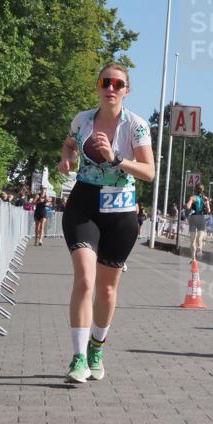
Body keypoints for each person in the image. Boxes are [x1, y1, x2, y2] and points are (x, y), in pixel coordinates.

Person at [57, 63, 154, 384]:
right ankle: (79, 357)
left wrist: (115, 158)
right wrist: (66, 158)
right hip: (84, 202)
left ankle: (97, 349)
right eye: (105, 82)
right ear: (98, 86)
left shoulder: (136, 127)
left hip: (120, 209)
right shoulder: (82, 119)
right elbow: (70, 144)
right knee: (85, 279)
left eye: (118, 84)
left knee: (108, 289)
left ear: (127, 90)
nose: (110, 88)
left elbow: (149, 172)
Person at [185, 184, 211, 260]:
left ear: (195, 190)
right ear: (203, 190)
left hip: (193, 217)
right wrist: (207, 203)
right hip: (201, 218)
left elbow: (188, 206)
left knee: (193, 240)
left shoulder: (193, 197)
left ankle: (193, 258)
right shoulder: (205, 199)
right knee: (200, 238)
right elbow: (209, 210)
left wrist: (188, 204)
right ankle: (199, 248)